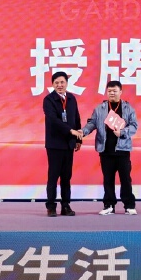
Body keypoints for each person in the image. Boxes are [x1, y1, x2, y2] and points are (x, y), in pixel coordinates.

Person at [82, 80, 138, 215]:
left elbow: (134, 126)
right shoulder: (100, 108)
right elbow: (92, 123)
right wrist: (83, 132)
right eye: (109, 91)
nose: (112, 93)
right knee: (108, 179)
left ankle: (129, 205)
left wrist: (122, 132)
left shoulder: (128, 108)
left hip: (123, 150)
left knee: (126, 179)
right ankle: (109, 205)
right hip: (105, 150)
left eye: (114, 91)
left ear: (120, 92)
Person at [42, 71, 82, 217]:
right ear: (53, 84)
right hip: (54, 144)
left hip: (69, 144)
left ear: (67, 83)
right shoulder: (48, 100)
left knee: (66, 177)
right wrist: (70, 131)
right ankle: (51, 206)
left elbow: (76, 118)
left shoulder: (71, 98)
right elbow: (53, 120)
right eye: (56, 83)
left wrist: (78, 139)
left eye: (62, 82)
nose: (60, 85)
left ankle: (65, 206)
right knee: (53, 176)